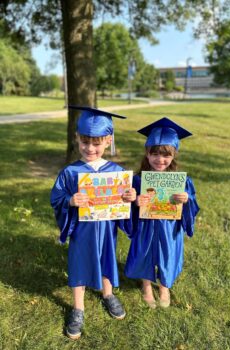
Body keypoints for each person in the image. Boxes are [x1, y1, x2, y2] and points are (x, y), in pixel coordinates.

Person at [51, 107, 136, 340]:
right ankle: (78, 308)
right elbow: (56, 197)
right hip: (82, 230)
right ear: (77, 138)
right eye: (85, 142)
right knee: (79, 263)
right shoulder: (70, 172)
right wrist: (70, 200)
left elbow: (126, 200)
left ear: (108, 141)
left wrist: (131, 197)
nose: (90, 148)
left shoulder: (117, 172)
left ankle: (108, 294)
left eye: (97, 143)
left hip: (107, 230)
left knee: (107, 259)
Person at [124, 117, 199, 309]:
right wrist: (135, 202)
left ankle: (164, 286)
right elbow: (127, 205)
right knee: (144, 253)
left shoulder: (182, 181)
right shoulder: (138, 181)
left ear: (174, 155)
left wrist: (186, 199)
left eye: (166, 155)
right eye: (155, 154)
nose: (160, 159)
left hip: (169, 227)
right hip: (146, 226)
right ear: (147, 154)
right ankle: (147, 285)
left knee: (168, 254)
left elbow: (192, 204)